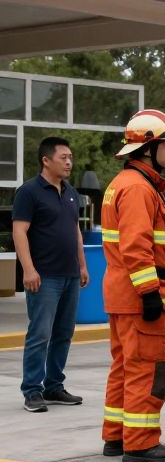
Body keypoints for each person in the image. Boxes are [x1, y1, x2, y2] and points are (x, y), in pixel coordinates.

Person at [100, 110, 165, 462]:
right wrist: (151, 291)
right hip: (140, 297)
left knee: (124, 366)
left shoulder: (123, 183)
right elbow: (136, 246)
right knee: (148, 367)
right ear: (148, 147)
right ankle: (140, 442)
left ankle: (116, 436)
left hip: (122, 293)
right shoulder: (138, 188)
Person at [12, 137, 88, 413]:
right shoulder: (29, 192)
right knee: (40, 334)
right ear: (46, 160)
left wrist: (81, 265)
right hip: (44, 277)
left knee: (63, 333)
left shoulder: (70, 192)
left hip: (70, 275)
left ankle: (54, 386)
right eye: (63, 157)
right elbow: (19, 231)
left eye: (70, 157)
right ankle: (32, 391)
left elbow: (75, 229)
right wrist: (29, 269)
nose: (69, 162)